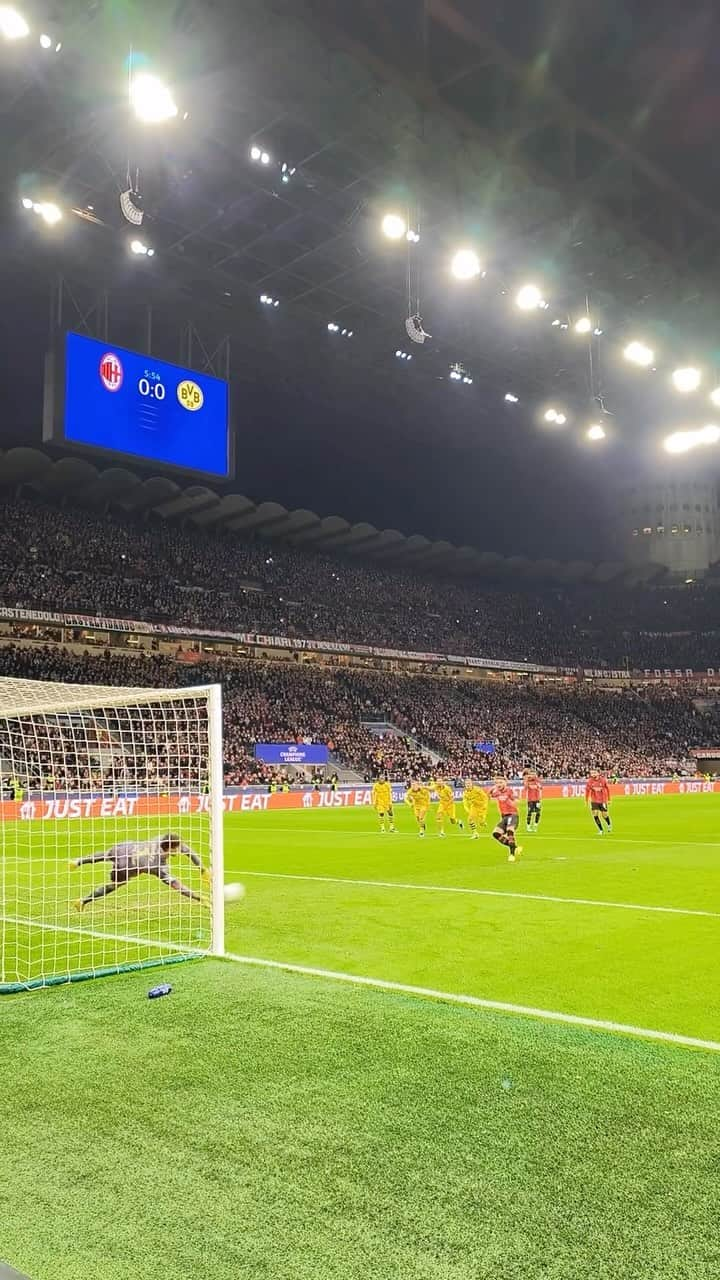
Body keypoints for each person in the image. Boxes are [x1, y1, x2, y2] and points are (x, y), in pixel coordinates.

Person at [69, 832, 209, 911]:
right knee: (116, 885)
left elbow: (188, 851)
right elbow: (177, 886)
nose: (180, 849)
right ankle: (82, 901)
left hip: (126, 847)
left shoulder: (160, 839)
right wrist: (198, 898)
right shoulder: (158, 866)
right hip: (125, 867)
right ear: (170, 848)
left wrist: (202, 870)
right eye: (177, 848)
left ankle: (77, 861)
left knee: (106, 855)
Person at [489, 778, 523, 862]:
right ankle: (515, 848)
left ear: (505, 783)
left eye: (501, 782)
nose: (498, 784)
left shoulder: (510, 791)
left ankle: (512, 854)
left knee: (509, 831)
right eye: (497, 783)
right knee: (496, 834)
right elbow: (489, 795)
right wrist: (492, 788)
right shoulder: (497, 792)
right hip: (504, 817)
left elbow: (517, 800)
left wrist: (512, 802)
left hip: (512, 815)